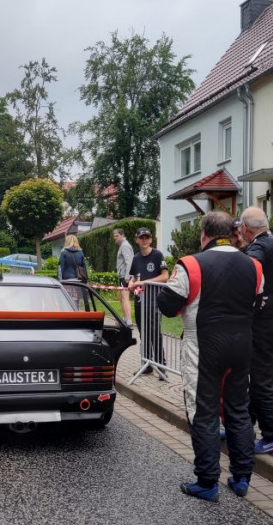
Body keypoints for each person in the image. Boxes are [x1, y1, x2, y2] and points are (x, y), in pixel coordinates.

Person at [158, 211, 263, 501]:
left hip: (203, 345)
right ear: (232, 233)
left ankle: (207, 482)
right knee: (239, 410)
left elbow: (167, 304)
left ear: (205, 234)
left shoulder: (191, 264)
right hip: (242, 345)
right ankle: (241, 478)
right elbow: (257, 299)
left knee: (203, 412)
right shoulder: (254, 265)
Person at [238, 207, 273, 455]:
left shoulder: (260, 246)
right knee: (257, 376)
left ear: (246, 229)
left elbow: (248, 269)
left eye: (240, 228)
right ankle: (246, 427)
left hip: (264, 322)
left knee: (261, 380)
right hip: (272, 319)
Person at [128, 227, 169, 374]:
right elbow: (133, 277)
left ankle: (161, 365)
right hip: (140, 302)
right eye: (141, 237)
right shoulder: (136, 257)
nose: (144, 240)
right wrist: (131, 284)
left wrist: (144, 282)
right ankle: (146, 363)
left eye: (147, 237)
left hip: (153, 301)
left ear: (151, 239)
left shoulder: (157, 255)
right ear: (137, 239)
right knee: (143, 333)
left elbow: (165, 276)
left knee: (154, 333)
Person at [112, 228, 134, 326]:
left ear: (122, 235)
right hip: (122, 276)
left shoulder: (125, 246)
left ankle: (128, 320)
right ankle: (125, 319)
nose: (115, 238)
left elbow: (129, 262)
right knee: (121, 297)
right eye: (114, 236)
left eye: (116, 236)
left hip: (125, 276)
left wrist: (127, 277)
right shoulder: (123, 245)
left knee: (125, 298)